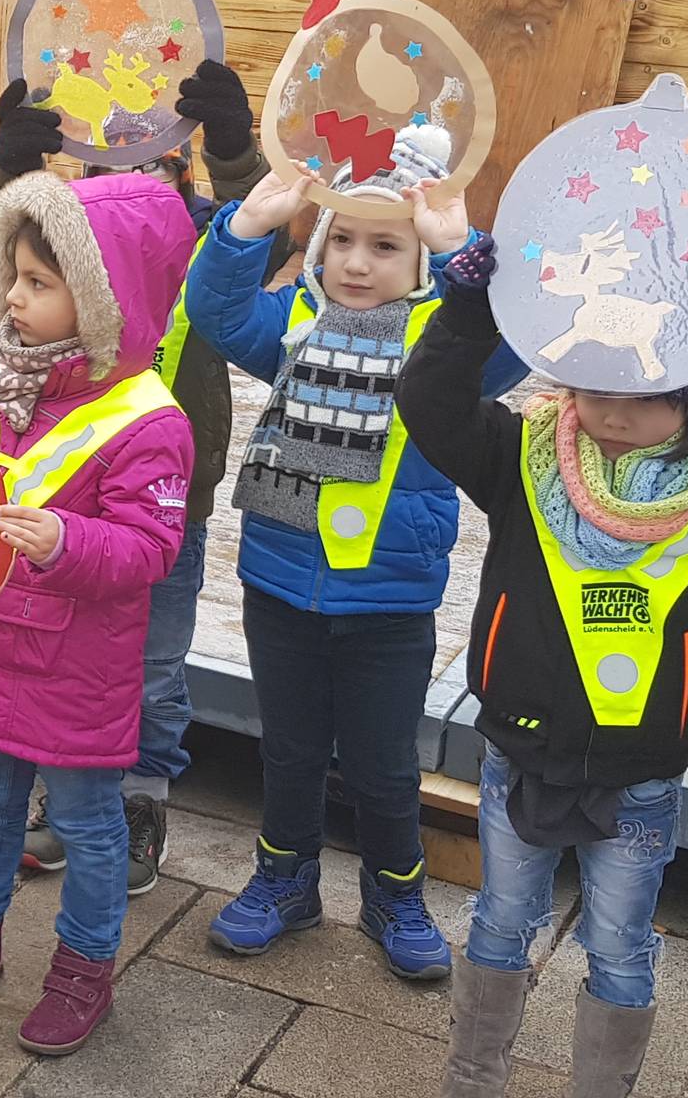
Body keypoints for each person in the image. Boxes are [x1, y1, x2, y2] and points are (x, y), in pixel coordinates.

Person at [399, 235, 688, 1097]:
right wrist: (465, 309)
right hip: (518, 754)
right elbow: (431, 404)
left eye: (641, 394)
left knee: (618, 942)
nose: (612, 409)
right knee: (500, 921)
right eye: (594, 386)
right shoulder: (521, 459)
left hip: (640, 771)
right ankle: (471, 1077)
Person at [0, 170, 195, 1055]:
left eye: (39, 283)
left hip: (73, 665)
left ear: (103, 301)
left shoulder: (147, 419)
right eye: (13, 275)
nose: (12, 298)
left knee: (90, 827)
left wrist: (66, 540)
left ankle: (83, 971)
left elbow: (151, 549)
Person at [185, 147, 524, 973]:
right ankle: (285, 880)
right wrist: (246, 227)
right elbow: (216, 312)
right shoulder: (293, 327)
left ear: (415, 265)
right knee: (290, 751)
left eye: (385, 247)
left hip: (389, 600)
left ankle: (395, 894)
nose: (358, 264)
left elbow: (504, 350)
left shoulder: (440, 346)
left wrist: (457, 253)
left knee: (382, 764)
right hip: (279, 584)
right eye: (343, 242)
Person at [0, 63, 267, 894]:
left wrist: (236, 152)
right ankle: (54, 791)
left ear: (181, 180)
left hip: (157, 501)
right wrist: (9, 169)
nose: (128, 178)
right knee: (42, 651)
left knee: (154, 668)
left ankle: (136, 801)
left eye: (152, 163)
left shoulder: (198, 248)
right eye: (104, 167)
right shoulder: (58, 254)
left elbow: (270, 239)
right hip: (48, 506)